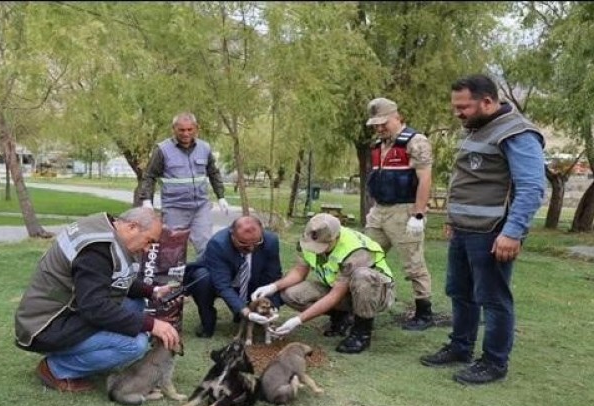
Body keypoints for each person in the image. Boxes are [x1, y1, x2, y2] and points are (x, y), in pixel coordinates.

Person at [420, 74, 546, 385]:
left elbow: (531, 187)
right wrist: (453, 218)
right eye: (455, 107)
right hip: (465, 230)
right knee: (460, 292)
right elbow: (468, 180)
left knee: (493, 298)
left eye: (463, 107)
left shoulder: (517, 133)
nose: (457, 113)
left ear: (487, 102)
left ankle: (494, 362)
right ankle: (461, 347)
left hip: (492, 233)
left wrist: (513, 232)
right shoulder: (478, 129)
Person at [14, 207, 181, 392]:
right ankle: (55, 369)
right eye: (149, 241)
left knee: (135, 304)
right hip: (45, 326)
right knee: (135, 345)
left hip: (63, 312)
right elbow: (95, 308)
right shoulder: (97, 250)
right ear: (132, 227)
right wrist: (153, 325)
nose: (147, 249)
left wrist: (153, 291)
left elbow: (111, 277)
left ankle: (87, 354)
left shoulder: (105, 229)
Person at [254, 213, 395, 353]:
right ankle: (341, 317)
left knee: (362, 276)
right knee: (289, 293)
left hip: (377, 294)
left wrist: (297, 320)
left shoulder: (355, 250)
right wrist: (273, 287)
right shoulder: (307, 238)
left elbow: (336, 294)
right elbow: (299, 271)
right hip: (339, 289)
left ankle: (361, 333)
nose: (315, 249)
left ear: (335, 237)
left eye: (321, 246)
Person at [364, 97, 435, 332]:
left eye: (384, 122)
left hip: (404, 210)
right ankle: (364, 306)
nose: (380, 128)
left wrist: (418, 215)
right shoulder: (378, 146)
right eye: (375, 124)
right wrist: (374, 209)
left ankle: (424, 311)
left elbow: (425, 179)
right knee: (364, 258)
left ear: (397, 116)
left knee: (413, 263)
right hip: (380, 210)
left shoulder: (416, 142)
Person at [139, 112, 230, 259]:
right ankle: (172, 281)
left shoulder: (204, 148)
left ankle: (204, 278)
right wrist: (147, 201)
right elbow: (149, 176)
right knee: (172, 250)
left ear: (196, 128)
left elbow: (213, 172)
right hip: (175, 208)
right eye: (181, 130)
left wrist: (221, 197)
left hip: (200, 208)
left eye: (189, 129)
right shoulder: (162, 150)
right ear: (173, 129)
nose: (186, 134)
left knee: (206, 247)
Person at [183, 215, 283, 338]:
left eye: (257, 242)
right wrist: (246, 312)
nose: (251, 248)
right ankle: (208, 322)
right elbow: (222, 286)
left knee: (278, 286)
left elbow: (273, 277)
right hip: (220, 281)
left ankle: (247, 314)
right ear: (232, 234)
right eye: (244, 244)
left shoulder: (270, 241)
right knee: (202, 278)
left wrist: (272, 308)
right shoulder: (218, 244)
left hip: (253, 283)